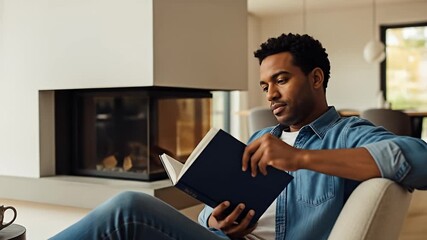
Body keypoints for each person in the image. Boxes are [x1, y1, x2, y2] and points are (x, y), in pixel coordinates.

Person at [50, 33, 427, 240]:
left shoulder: (346, 134)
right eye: (265, 85)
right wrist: (216, 222)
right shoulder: (262, 136)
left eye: (281, 80)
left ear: (315, 78)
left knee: (129, 209)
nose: (270, 94)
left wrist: (300, 159)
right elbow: (205, 213)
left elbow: (418, 159)